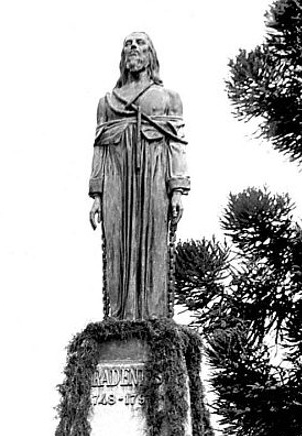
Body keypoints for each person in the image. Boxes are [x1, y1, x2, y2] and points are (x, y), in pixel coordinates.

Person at [89, 31, 190, 319]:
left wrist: (178, 189)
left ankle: (154, 318)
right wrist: (96, 195)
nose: (133, 47)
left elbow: (177, 144)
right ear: (122, 56)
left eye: (140, 43)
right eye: (128, 44)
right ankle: (120, 317)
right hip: (116, 178)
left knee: (154, 241)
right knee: (117, 245)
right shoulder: (106, 103)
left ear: (150, 55)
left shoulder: (168, 98)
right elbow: (99, 149)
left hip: (154, 175)